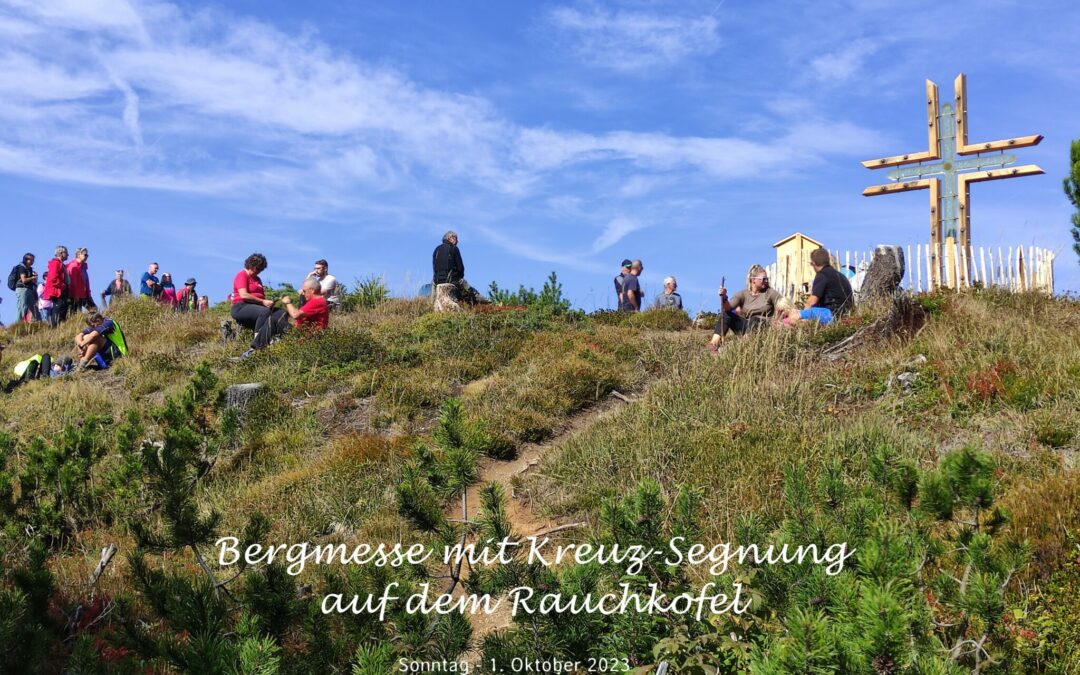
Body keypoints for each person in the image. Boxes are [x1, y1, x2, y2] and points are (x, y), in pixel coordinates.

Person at [709, 264, 791, 350]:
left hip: (764, 327)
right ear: (753, 280)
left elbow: (783, 303)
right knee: (726, 314)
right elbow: (728, 308)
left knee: (755, 319)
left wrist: (782, 318)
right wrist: (724, 297)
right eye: (763, 279)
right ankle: (713, 344)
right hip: (746, 327)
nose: (766, 281)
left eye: (767, 279)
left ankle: (744, 345)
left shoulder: (770, 293)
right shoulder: (743, 294)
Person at [230, 253, 288, 359]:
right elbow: (244, 295)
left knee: (281, 312)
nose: (259, 271)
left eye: (261, 269)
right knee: (264, 312)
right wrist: (263, 302)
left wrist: (267, 303)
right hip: (241, 306)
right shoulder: (241, 275)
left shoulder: (257, 279)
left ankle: (285, 338)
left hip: (256, 306)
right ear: (251, 266)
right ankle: (257, 345)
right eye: (258, 269)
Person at [783, 248, 854, 325]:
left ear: (813, 263)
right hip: (846, 314)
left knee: (794, 316)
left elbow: (812, 302)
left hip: (831, 314)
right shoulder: (841, 276)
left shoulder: (822, 275)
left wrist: (804, 314)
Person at [431, 230, 483, 303]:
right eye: (456, 238)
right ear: (450, 237)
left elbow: (434, 267)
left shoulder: (436, 249)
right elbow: (460, 267)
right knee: (470, 290)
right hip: (452, 279)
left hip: (437, 280)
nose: (457, 241)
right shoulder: (454, 248)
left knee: (433, 294)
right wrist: (460, 277)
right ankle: (483, 301)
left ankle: (431, 304)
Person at [44, 245, 70, 326]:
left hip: (60, 290)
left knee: (62, 310)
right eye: (66, 253)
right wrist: (63, 285)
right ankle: (54, 328)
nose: (68, 255)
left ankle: (57, 327)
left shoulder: (60, 264)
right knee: (58, 310)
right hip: (57, 291)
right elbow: (52, 279)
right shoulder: (55, 263)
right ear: (61, 253)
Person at [10, 253, 40, 323]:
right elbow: (24, 280)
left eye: (33, 260)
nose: (33, 262)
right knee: (22, 307)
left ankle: (39, 323)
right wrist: (32, 277)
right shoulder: (22, 268)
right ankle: (18, 325)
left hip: (28, 289)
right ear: (26, 260)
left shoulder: (29, 269)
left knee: (34, 307)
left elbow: (31, 281)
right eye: (31, 260)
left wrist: (34, 278)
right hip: (22, 289)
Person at [66, 247, 95, 312]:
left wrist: (89, 294)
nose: (87, 256)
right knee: (76, 313)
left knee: (94, 310)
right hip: (76, 296)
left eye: (87, 255)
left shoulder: (83, 267)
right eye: (85, 255)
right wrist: (75, 295)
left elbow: (85, 282)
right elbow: (72, 283)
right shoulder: (73, 266)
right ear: (78, 254)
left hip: (85, 294)